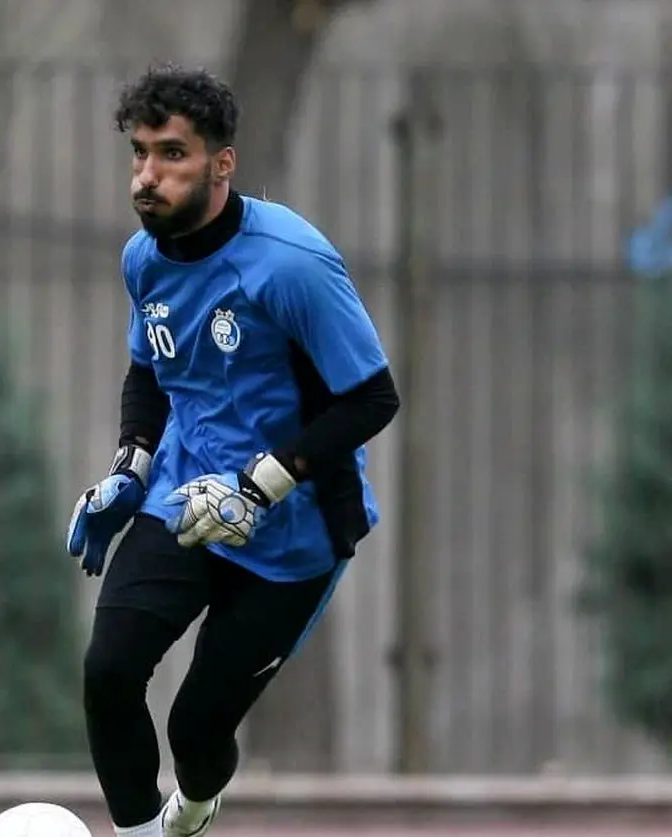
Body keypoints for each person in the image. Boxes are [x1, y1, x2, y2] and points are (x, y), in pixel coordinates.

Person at [66, 63, 400, 837]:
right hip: (181, 499)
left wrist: (259, 486)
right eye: (140, 153)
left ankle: (197, 806)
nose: (147, 175)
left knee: (195, 731)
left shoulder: (290, 263)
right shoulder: (142, 259)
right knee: (109, 673)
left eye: (172, 154)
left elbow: (372, 397)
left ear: (222, 163)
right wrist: (132, 465)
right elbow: (150, 368)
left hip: (294, 534)